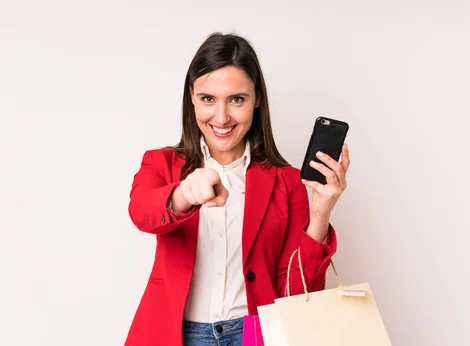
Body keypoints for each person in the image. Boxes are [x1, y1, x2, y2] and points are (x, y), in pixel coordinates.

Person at [124, 32, 350, 346]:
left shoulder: (285, 181)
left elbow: (298, 294)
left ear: (257, 99)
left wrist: (320, 215)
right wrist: (186, 193)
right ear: (191, 96)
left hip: (255, 336)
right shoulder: (161, 163)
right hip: (177, 335)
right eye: (208, 99)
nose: (221, 117)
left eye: (237, 99)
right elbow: (141, 212)